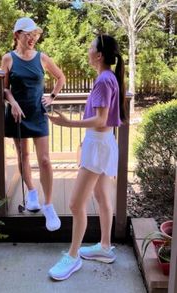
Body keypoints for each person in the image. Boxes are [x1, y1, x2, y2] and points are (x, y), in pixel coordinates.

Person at [47, 34, 127, 280]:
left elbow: (101, 120)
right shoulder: (109, 77)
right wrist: (86, 139)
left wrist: (67, 122)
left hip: (99, 145)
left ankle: (72, 257)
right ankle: (104, 247)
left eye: (91, 47)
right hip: (103, 143)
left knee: (74, 204)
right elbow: (104, 121)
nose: (88, 49)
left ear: (100, 55)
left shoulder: (104, 80)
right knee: (102, 196)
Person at [1, 17, 65, 231]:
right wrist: (13, 103)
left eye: (35, 35)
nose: (32, 38)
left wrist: (52, 96)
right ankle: (31, 193)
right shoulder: (7, 59)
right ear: (17, 35)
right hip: (17, 115)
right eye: (28, 34)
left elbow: (60, 77)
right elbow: (4, 89)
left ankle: (48, 204)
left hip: (38, 114)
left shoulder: (43, 58)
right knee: (24, 156)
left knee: (45, 160)